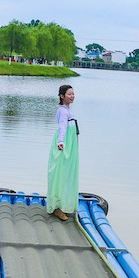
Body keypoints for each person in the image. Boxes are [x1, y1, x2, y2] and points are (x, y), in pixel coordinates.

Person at [46, 83, 80, 221]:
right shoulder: (62, 111)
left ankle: (65, 204)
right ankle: (57, 207)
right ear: (62, 96)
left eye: (73, 93)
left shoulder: (66, 109)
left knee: (68, 173)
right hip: (64, 143)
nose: (72, 96)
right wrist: (61, 142)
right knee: (61, 172)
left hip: (69, 143)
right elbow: (62, 126)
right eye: (69, 94)